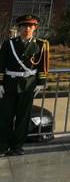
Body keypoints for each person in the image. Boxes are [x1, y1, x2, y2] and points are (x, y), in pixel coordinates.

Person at [0, 14, 49, 156]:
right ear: (19, 28)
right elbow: (1, 64)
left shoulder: (41, 45)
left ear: (35, 28)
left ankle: (17, 147)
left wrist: (41, 82)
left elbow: (43, 65)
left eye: (30, 26)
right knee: (5, 117)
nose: (27, 29)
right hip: (9, 84)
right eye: (24, 26)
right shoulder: (9, 44)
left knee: (23, 118)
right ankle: (3, 146)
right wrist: (0, 83)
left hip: (28, 85)